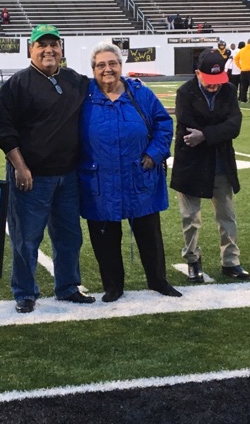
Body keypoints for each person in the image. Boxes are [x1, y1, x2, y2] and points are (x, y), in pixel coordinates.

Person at [0, 24, 95, 313]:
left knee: (69, 236)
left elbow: (104, 86)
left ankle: (68, 286)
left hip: (68, 175)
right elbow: (1, 130)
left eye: (53, 44)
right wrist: (20, 166)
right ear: (30, 50)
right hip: (31, 177)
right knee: (26, 238)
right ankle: (25, 292)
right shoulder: (16, 85)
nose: (48, 50)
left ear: (61, 49)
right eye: (41, 45)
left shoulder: (75, 80)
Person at [78, 42, 181, 303]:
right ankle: (113, 286)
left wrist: (155, 153)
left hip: (139, 176)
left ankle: (158, 280)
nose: (107, 69)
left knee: (149, 234)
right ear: (93, 70)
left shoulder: (140, 93)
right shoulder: (83, 97)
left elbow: (163, 124)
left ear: (121, 66)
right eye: (101, 65)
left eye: (112, 63)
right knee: (105, 238)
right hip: (99, 180)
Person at [172, 48, 250, 283]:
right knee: (190, 218)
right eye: (209, 79)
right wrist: (218, 131)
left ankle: (231, 261)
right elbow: (188, 127)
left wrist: (205, 135)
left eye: (218, 79)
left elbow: (234, 125)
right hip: (191, 163)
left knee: (227, 216)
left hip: (221, 163)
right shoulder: (185, 92)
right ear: (198, 73)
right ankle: (192, 260)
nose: (215, 85)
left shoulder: (229, 90)